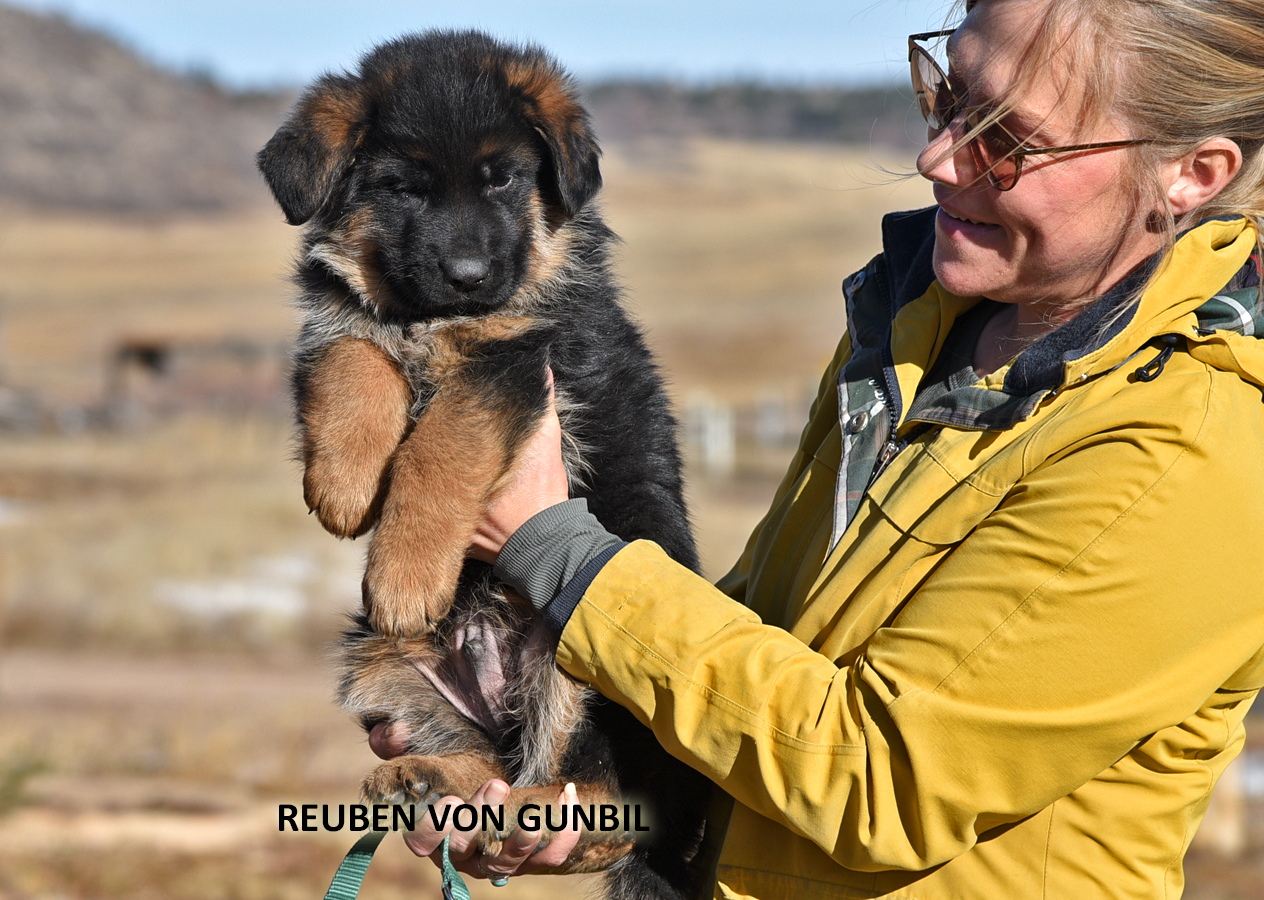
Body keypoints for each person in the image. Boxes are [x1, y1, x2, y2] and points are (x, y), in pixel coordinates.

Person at [372, 0, 1264, 897]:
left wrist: (559, 554)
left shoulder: (1190, 452)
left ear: (1193, 173)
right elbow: (769, 645)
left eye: (1010, 139)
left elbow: (880, 780)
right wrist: (552, 755)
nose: (939, 155)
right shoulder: (920, 330)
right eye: (947, 93)